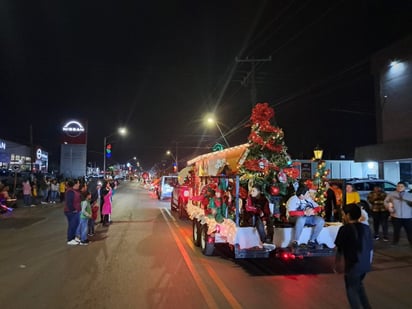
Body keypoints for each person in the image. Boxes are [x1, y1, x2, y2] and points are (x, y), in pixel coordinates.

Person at [334, 203, 373, 309]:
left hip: (353, 264)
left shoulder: (345, 229)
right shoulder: (366, 228)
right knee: (359, 286)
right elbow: (370, 248)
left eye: (343, 214)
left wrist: (337, 264)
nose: (342, 216)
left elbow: (339, 248)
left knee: (351, 289)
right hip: (365, 264)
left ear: (348, 215)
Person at [384, 181, 412, 246]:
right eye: (398, 186)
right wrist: (389, 207)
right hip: (396, 216)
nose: (399, 188)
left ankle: (411, 242)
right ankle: (395, 241)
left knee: (409, 231)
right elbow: (386, 201)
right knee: (396, 230)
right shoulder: (391, 194)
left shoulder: (410, 195)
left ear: (405, 187)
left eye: (401, 186)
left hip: (408, 216)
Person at [64, 179, 82, 245]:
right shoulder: (70, 192)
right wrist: (73, 210)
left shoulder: (74, 191)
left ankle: (73, 238)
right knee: (72, 225)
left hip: (75, 211)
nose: (79, 184)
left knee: (75, 225)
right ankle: (70, 239)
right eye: (78, 183)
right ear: (75, 184)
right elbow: (69, 202)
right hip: (71, 212)